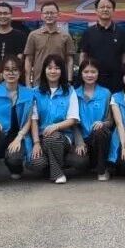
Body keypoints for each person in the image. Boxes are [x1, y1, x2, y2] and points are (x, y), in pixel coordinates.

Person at [0, 55, 35, 188]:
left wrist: (19, 138)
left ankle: (14, 167)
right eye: (7, 69)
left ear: (20, 72)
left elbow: (29, 121)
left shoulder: (29, 93)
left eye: (15, 69)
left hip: (19, 135)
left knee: (15, 160)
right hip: (0, 132)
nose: (11, 73)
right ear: (2, 72)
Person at [26, 54, 81, 184]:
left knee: (53, 137)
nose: (53, 71)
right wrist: (36, 143)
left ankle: (57, 174)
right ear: (44, 70)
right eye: (49, 68)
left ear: (62, 71)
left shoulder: (70, 91)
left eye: (57, 68)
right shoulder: (35, 92)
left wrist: (55, 126)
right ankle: (54, 168)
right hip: (41, 138)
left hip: (63, 137)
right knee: (36, 163)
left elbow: (73, 118)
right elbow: (34, 119)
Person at [70, 58, 113, 180]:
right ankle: (90, 164)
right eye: (86, 72)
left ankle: (102, 171)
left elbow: (110, 121)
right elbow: (73, 122)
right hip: (82, 139)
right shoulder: (74, 94)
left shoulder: (106, 93)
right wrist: (79, 142)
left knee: (100, 131)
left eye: (93, 72)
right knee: (79, 162)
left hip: (100, 137)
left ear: (98, 73)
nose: (90, 75)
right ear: (81, 73)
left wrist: (103, 123)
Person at [78, 0, 125, 92]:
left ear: (113, 10)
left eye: (108, 7)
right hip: (93, 79)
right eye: (102, 7)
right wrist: (83, 74)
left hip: (116, 79)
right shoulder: (88, 32)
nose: (105, 9)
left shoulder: (121, 32)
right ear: (96, 10)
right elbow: (83, 55)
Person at [23, 2, 76, 86]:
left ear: (58, 15)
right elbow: (28, 60)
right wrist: (28, 82)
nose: (49, 15)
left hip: (60, 82)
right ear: (41, 16)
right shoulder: (33, 35)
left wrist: (69, 80)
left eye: (52, 13)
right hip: (39, 82)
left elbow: (70, 60)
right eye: (46, 13)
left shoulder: (66, 36)